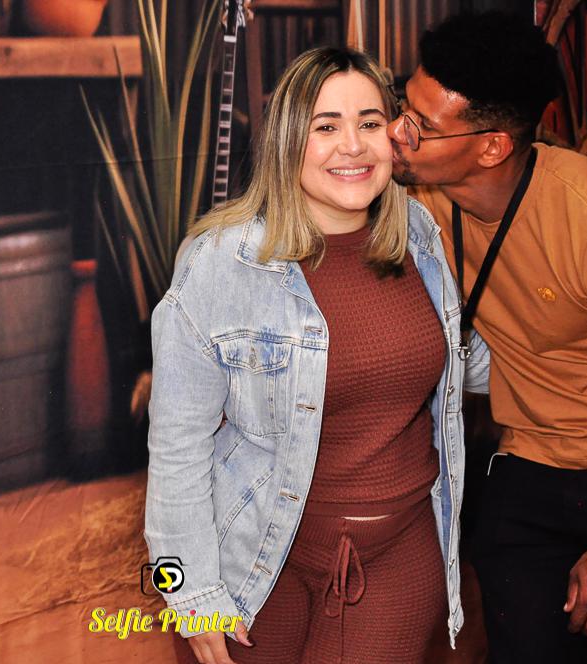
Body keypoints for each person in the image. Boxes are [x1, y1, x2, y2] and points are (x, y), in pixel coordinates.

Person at [144, 46, 489, 664]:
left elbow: (469, 359)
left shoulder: (421, 236)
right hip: (252, 563)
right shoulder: (220, 262)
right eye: (325, 126)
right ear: (286, 141)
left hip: (396, 556)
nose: (352, 146)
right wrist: (189, 591)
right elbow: (177, 446)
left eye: (370, 122)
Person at [387, 11, 587, 664]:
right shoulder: (421, 198)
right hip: (527, 464)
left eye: (422, 126)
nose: (398, 132)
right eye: (403, 108)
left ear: (491, 147)